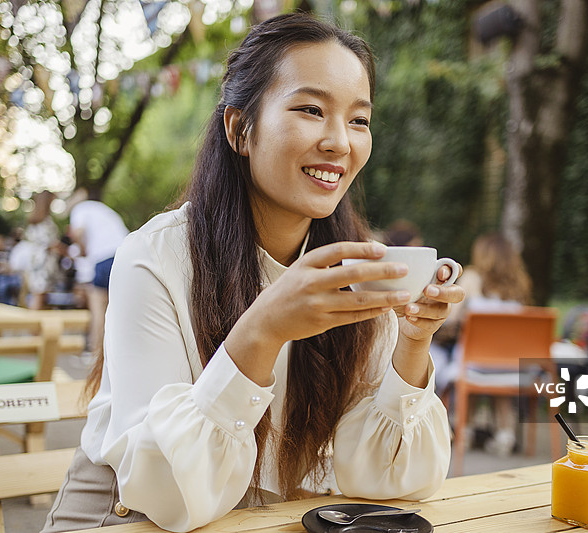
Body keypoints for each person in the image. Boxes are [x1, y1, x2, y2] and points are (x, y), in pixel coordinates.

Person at [42, 14, 463, 533]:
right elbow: (166, 494)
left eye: (358, 120)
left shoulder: (359, 266)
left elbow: (387, 483)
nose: (340, 142)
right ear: (240, 128)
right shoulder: (153, 258)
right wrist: (264, 330)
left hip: (261, 520)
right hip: (127, 516)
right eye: (311, 110)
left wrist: (412, 343)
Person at [431, 232, 531, 456]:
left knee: (473, 361)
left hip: (473, 365)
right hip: (512, 367)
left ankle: (463, 430)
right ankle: (505, 434)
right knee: (496, 368)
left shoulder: (472, 278)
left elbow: (451, 318)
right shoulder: (520, 286)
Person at [65, 187, 129, 354]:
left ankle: (95, 354)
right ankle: (116, 354)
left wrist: (83, 250)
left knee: (98, 308)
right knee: (117, 308)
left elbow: (78, 233)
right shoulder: (100, 209)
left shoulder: (79, 209)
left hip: (103, 258)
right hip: (125, 255)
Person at [23, 191, 61, 309]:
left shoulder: (35, 222)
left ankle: (35, 325)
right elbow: (49, 243)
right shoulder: (45, 222)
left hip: (37, 261)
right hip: (43, 263)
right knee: (39, 294)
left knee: (40, 295)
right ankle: (33, 325)